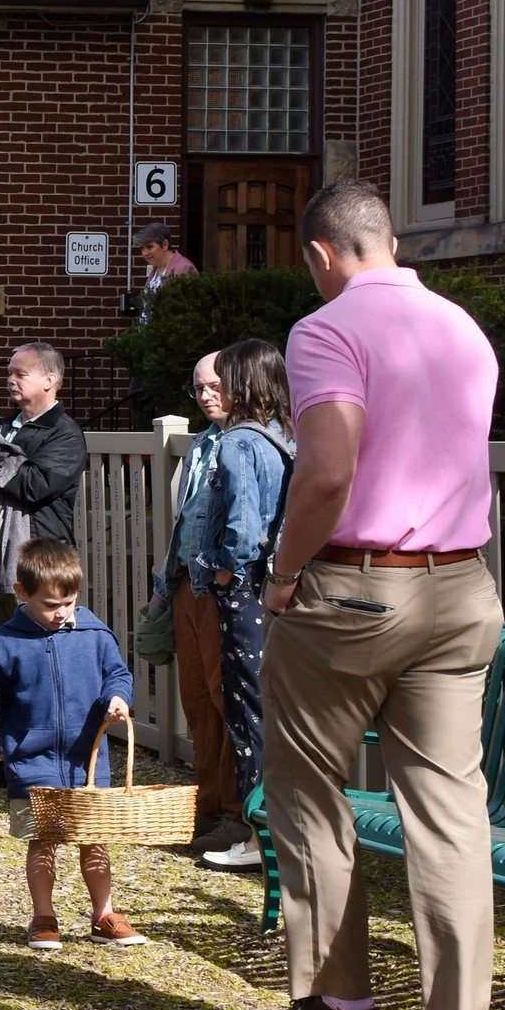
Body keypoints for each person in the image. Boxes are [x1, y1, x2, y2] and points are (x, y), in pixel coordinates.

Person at [226, 179, 502, 1010]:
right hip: (461, 586)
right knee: (452, 813)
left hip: (351, 587)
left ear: (321, 254)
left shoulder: (328, 328)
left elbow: (329, 466)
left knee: (308, 792)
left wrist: (286, 571)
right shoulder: (463, 328)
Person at [0, 538, 146, 951]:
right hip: (31, 762)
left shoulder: (95, 633)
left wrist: (118, 698)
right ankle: (43, 917)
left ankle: (103, 914)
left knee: (95, 838)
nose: (61, 612)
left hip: (88, 761)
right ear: (22, 593)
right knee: (42, 841)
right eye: (50, 604)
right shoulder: (5, 642)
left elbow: (117, 676)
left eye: (68, 602)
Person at [190, 339, 295, 871]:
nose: (214, 391)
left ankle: (258, 841)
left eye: (224, 380)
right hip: (280, 593)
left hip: (244, 592)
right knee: (277, 711)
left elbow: (243, 531)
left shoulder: (236, 445)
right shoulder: (285, 440)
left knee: (248, 711)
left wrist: (225, 572)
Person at [153, 352, 235, 851]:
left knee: (228, 701)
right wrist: (164, 586)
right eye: (198, 387)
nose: (206, 395)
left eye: (215, 386)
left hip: (224, 589)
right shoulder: (202, 444)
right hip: (187, 583)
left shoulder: (257, 445)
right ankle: (206, 806)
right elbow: (185, 520)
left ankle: (234, 813)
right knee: (198, 703)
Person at [0, 343, 87, 646]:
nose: (10, 380)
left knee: (39, 641)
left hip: (39, 553)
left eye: (21, 374)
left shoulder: (64, 433)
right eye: (9, 373)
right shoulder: (4, 426)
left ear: (49, 380)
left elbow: (34, 485)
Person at [134, 223, 197, 320]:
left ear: (165, 245)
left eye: (150, 247)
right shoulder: (156, 268)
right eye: (142, 248)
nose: (145, 253)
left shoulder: (183, 268)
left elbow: (185, 311)